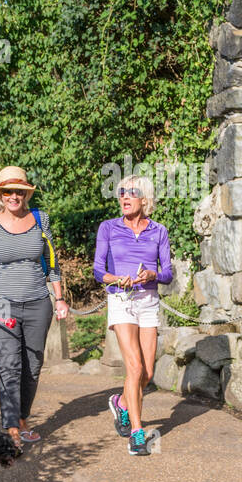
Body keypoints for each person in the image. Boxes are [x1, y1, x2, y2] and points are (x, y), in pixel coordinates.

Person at [0, 166, 69, 448]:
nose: (14, 196)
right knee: (10, 364)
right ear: (0, 195)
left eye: (19, 191)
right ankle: (13, 425)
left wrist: (59, 298)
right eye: (8, 191)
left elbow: (51, 262)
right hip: (0, 303)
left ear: (26, 193)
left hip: (38, 302)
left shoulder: (41, 219)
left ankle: (23, 416)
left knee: (33, 365)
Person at [93, 175, 172, 456]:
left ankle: (122, 404)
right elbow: (98, 271)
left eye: (132, 193)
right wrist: (116, 278)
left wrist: (153, 274)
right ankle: (137, 434)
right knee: (135, 368)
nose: (125, 197)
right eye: (121, 192)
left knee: (147, 374)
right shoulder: (108, 228)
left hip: (148, 300)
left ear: (145, 199)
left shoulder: (159, 231)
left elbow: (168, 273)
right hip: (121, 299)